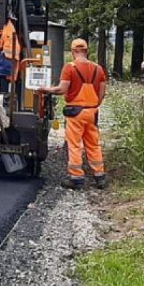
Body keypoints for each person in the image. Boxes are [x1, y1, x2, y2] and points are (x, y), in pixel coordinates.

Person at [37, 39, 107, 189]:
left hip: (75, 112)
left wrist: (46, 89)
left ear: (73, 51)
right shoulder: (98, 69)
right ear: (86, 51)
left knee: (74, 144)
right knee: (93, 144)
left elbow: (61, 90)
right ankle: (100, 176)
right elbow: (102, 94)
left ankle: (76, 178)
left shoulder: (70, 68)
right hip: (92, 111)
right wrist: (93, 106)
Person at [0, 14, 22, 94]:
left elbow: (7, 42)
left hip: (8, 57)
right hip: (9, 57)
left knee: (4, 75)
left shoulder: (9, 28)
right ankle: (5, 93)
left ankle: (4, 94)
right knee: (5, 76)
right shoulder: (9, 27)